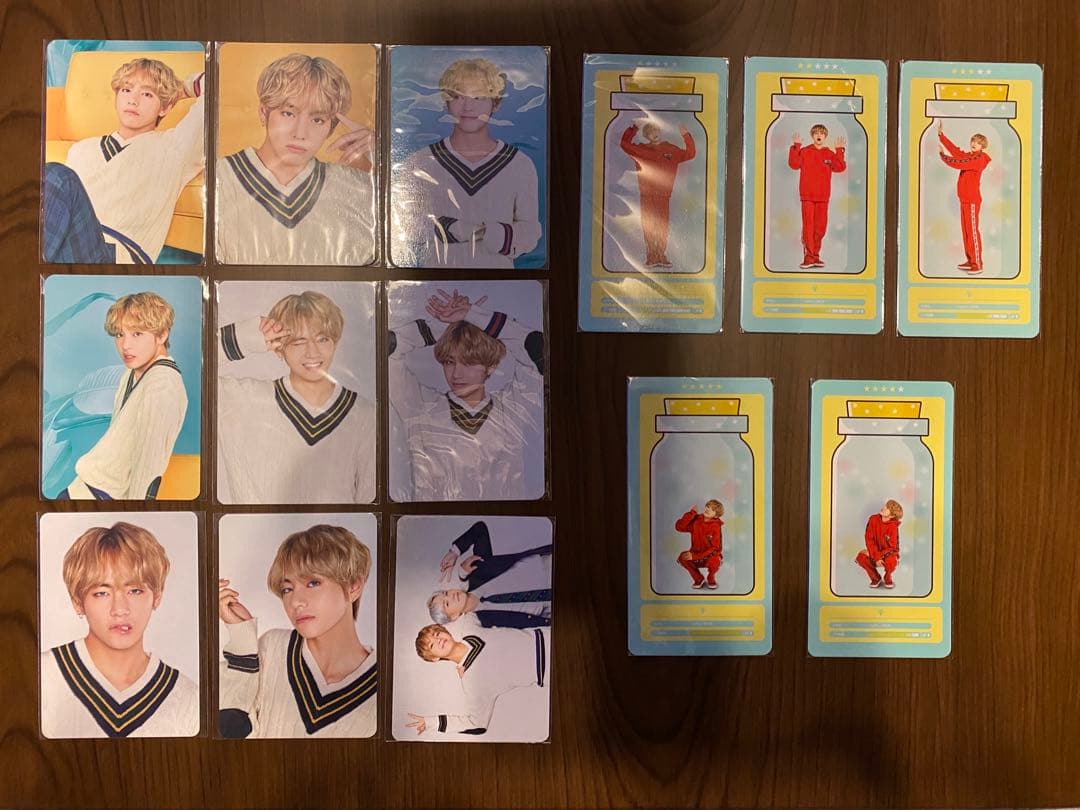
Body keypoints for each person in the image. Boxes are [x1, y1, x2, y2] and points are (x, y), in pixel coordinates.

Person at [40, 522, 199, 738]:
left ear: (157, 596)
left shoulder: (188, 699)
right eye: (102, 593)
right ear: (78, 602)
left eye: (135, 591)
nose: (120, 609)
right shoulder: (40, 677)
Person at [215, 53, 376, 266]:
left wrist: (382, 155)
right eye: (288, 113)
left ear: (331, 127)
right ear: (264, 112)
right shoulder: (219, 178)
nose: (300, 133)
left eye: (317, 119)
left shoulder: (357, 187)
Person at [217, 290, 376, 504]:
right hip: (259, 527)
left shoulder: (364, 414)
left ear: (335, 342)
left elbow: (370, 504)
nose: (312, 352)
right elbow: (189, 373)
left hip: (335, 527)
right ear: (279, 348)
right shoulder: (245, 400)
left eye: (322, 339)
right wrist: (240, 338)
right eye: (299, 341)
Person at [218, 524, 377, 738]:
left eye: (313, 583)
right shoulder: (273, 648)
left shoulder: (387, 686)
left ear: (353, 587)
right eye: (287, 589)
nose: (295, 602)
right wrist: (242, 640)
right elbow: (226, 734)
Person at [43, 57, 205, 263]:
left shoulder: (175, 147)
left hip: (116, 257)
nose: (133, 100)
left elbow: (213, 86)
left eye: (147, 94)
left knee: (57, 175)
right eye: (126, 90)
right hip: (65, 248)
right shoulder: (81, 149)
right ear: (117, 97)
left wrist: (179, 90)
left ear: (164, 108)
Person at [388, 288, 544, 501]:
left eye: (469, 363)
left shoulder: (512, 408)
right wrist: (442, 327)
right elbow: (386, 349)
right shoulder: (420, 406)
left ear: (491, 365)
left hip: (502, 519)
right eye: (450, 362)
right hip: (434, 521)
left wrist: (476, 317)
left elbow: (539, 350)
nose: (456, 374)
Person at [395, 57, 541, 268]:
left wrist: (483, 231)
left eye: (479, 97)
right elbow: (403, 226)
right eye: (457, 96)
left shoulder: (519, 164)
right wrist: (444, 227)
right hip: (437, 282)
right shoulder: (419, 163)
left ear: (496, 104)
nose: (468, 107)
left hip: (499, 281)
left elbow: (530, 231)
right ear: (445, 102)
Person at [57, 292, 187, 500]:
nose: (125, 345)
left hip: (104, 496)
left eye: (137, 334)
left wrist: (135, 511)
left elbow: (150, 462)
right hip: (86, 486)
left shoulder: (163, 383)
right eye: (119, 335)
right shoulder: (132, 373)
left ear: (162, 335)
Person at [405, 623, 548, 736]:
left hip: (547, 634)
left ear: (445, 631)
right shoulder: (472, 683)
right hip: (548, 670)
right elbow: (476, 724)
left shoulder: (471, 627)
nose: (438, 640)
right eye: (432, 645)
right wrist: (431, 722)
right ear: (435, 658)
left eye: (437, 634)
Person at [427, 520, 552, 629]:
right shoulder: (485, 621)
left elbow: (479, 529)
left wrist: (454, 552)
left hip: (546, 567)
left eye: (446, 593)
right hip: (549, 607)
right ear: (454, 617)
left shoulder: (476, 572)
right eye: (447, 603)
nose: (451, 596)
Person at [619, 120, 696, 268]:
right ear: (646, 135)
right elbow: (624, 144)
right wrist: (633, 128)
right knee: (648, 225)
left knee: (662, 226)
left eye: (655, 130)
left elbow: (690, 154)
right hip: (646, 195)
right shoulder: (641, 149)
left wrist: (686, 135)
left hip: (663, 195)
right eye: (649, 132)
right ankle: (651, 257)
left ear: (660, 131)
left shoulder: (671, 149)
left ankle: (661, 255)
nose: (653, 134)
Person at [788, 124, 846, 269]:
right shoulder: (805, 151)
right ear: (812, 136)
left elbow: (839, 167)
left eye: (821, 133)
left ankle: (815, 256)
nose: (819, 135)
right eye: (816, 133)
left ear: (825, 136)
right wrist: (796, 146)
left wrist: (839, 150)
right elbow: (794, 164)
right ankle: (808, 258)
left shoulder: (829, 154)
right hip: (807, 196)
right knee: (808, 227)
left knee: (820, 228)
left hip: (823, 196)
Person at [938, 122, 991, 273]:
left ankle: (977, 264)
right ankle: (971, 260)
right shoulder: (970, 156)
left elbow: (957, 163)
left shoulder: (979, 158)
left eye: (978, 142)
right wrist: (942, 137)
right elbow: (956, 152)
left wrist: (943, 156)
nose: (974, 144)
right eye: (973, 141)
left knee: (972, 232)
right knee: (966, 232)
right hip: (964, 199)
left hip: (972, 200)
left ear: (983, 146)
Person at [855, 499, 904, 589]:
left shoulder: (893, 527)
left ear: (892, 515)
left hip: (887, 554)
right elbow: (869, 539)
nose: (883, 508)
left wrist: (879, 556)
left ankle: (887, 577)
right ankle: (876, 578)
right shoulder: (873, 519)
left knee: (892, 561)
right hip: (874, 553)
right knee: (861, 557)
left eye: (887, 508)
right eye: (885, 505)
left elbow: (894, 548)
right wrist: (875, 556)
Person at [675, 500, 724, 589]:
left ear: (716, 516)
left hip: (709, 556)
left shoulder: (716, 526)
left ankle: (711, 577)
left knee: (715, 560)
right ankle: (698, 578)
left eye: (712, 509)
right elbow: (679, 527)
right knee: (683, 557)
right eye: (708, 506)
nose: (708, 509)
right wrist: (691, 514)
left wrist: (695, 556)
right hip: (695, 555)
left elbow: (715, 548)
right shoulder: (696, 520)